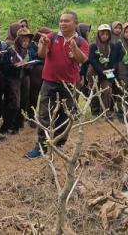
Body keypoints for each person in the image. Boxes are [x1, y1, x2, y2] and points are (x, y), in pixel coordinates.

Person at [25, 11, 89, 160]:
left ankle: (59, 144)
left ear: (76, 23)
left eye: (66, 21)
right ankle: (41, 147)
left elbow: (82, 59)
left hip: (69, 84)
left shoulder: (81, 42)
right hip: (49, 82)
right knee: (44, 115)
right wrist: (43, 45)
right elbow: (42, 54)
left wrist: (74, 48)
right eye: (61, 21)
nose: (62, 23)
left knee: (66, 116)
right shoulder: (51, 37)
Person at [2, 27, 33, 135]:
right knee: (15, 102)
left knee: (23, 101)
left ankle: (17, 126)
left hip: (24, 77)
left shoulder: (27, 51)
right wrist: (14, 66)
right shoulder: (10, 50)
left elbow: (30, 64)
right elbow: (4, 67)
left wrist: (29, 66)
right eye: (24, 40)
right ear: (19, 39)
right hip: (13, 78)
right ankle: (5, 126)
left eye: (28, 41)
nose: (26, 43)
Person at [87, 24, 116, 116]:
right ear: (99, 34)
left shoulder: (112, 46)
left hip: (108, 71)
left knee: (107, 90)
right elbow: (92, 60)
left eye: (107, 34)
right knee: (94, 90)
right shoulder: (93, 46)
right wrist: (101, 70)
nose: (104, 36)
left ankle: (105, 111)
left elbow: (113, 59)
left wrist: (111, 69)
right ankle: (95, 111)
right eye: (102, 34)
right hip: (94, 71)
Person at [27, 27, 52, 123]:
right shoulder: (32, 45)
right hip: (35, 72)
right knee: (34, 95)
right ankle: (31, 116)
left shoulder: (48, 45)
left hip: (46, 72)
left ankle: (45, 116)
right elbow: (34, 56)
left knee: (45, 96)